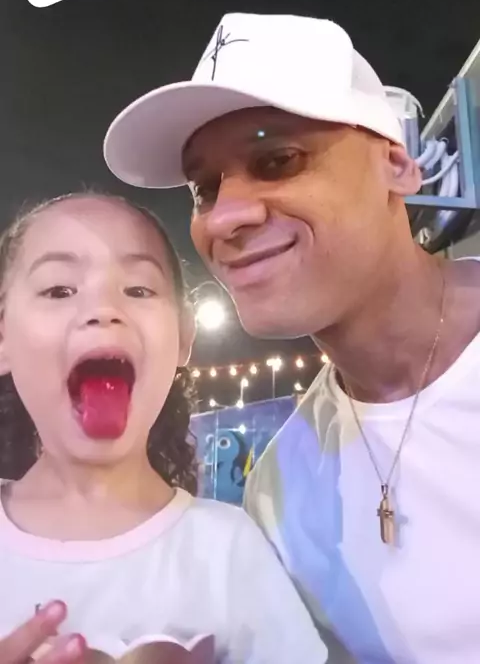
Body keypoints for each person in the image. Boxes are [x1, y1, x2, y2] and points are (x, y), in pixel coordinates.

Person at [104, 12, 480, 664]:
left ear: (398, 166)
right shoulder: (278, 490)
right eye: (204, 188)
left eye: (278, 160)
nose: (225, 217)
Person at [0, 191, 327, 664]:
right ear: (3, 337)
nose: (103, 310)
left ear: (184, 337)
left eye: (138, 290)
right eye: (59, 291)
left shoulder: (226, 548)